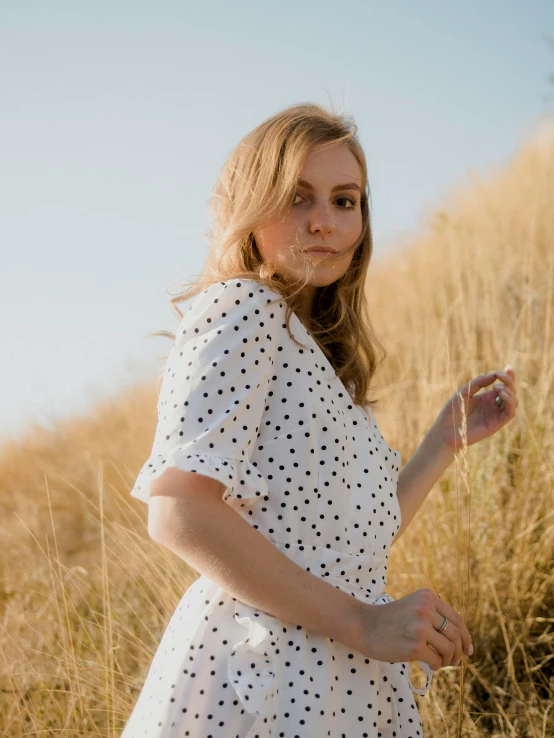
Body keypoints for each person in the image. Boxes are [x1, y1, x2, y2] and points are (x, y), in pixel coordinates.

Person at [121, 102, 518, 738]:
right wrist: (365, 623)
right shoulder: (243, 309)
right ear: (251, 206)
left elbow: (344, 548)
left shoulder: (314, 355)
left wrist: (445, 442)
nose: (323, 222)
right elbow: (178, 511)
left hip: (341, 673)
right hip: (264, 673)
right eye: (297, 197)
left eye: (344, 200)